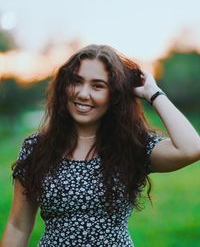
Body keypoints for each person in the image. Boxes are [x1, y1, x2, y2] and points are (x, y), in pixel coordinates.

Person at [1, 44, 200, 247]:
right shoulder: (36, 148)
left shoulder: (132, 146)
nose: (83, 94)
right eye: (77, 81)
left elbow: (191, 148)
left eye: (97, 86)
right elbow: (18, 226)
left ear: (114, 94)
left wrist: (153, 92)